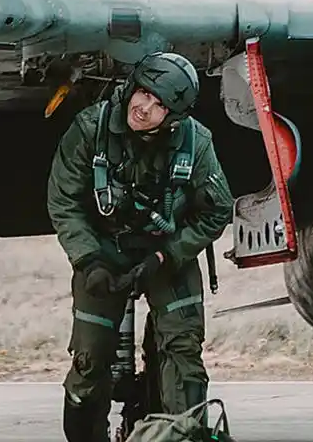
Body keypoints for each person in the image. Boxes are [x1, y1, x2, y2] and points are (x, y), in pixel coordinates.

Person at [47, 51, 235, 442]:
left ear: (174, 117)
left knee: (182, 355)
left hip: (168, 253)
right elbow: (63, 200)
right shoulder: (90, 129)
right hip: (103, 251)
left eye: (160, 104)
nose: (145, 108)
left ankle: (177, 434)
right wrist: (89, 259)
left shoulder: (196, 145)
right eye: (144, 94)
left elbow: (216, 212)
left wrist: (168, 255)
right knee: (89, 360)